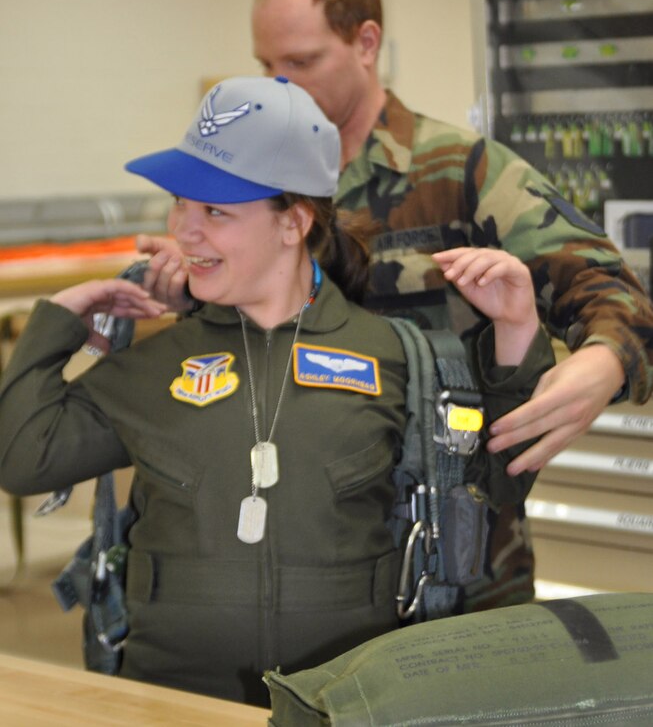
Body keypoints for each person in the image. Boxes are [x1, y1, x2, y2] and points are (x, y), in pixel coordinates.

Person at [0, 76, 553, 706]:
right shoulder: (156, 364)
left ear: (293, 223)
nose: (185, 231)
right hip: (169, 705)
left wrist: (515, 328)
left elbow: (499, 483)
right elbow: (22, 457)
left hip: (346, 705)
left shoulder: (399, 357)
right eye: (180, 204)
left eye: (215, 211)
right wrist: (62, 319)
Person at [137, 0, 653, 613]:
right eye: (266, 65)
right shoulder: (245, 184)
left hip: (454, 557)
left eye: (301, 61)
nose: (279, 86)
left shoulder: (458, 172)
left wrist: (604, 363)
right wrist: (183, 292)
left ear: (366, 42)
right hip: (288, 556)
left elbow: (611, 290)